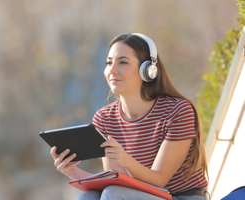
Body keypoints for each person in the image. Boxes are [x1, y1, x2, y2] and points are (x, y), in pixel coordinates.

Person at [50, 33, 209, 200]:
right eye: (109, 63)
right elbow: (116, 181)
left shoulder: (177, 111)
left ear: (148, 70)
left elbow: (160, 180)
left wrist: (126, 161)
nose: (112, 70)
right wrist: (72, 171)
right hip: (134, 195)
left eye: (123, 62)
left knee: (113, 194)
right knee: (86, 197)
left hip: (183, 197)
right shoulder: (104, 118)